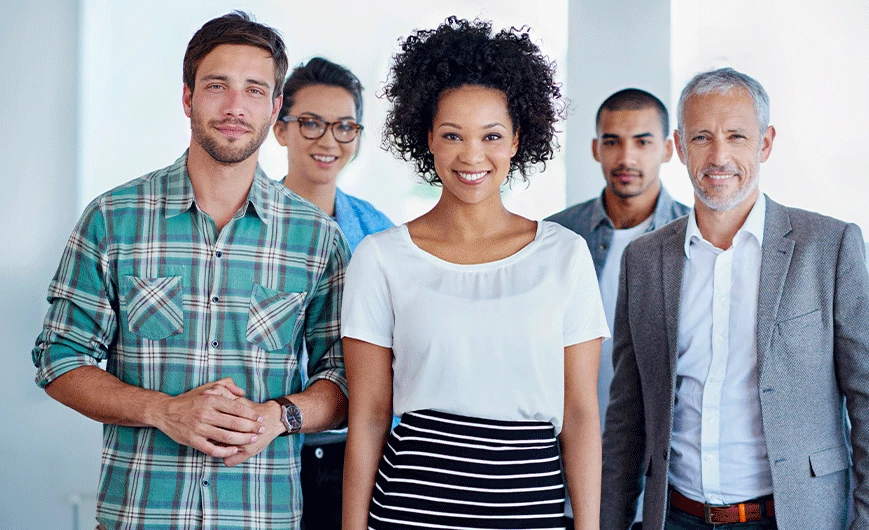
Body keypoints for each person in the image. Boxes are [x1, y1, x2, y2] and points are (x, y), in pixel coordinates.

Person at [31, 12, 349, 530]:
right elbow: (59, 359)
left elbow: (343, 380)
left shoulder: (317, 238)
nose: (233, 107)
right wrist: (163, 411)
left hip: (262, 517)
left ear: (273, 111)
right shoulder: (113, 218)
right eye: (216, 86)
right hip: (139, 516)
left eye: (253, 91)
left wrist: (278, 417)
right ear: (188, 97)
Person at [601, 67, 869, 530]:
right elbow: (626, 417)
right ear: (680, 148)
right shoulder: (643, 260)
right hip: (677, 517)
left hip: (792, 517)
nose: (718, 156)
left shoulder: (828, 245)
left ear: (764, 143)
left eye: (736, 136)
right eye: (701, 138)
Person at [341, 17, 609, 530]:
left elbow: (579, 415)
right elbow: (370, 416)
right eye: (452, 135)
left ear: (515, 141)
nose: (471, 155)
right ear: (429, 141)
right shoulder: (381, 258)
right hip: (413, 511)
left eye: (491, 135)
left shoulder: (564, 255)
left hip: (532, 511)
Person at [547, 90, 688, 528]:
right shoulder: (555, 237)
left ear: (668, 149)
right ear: (595, 148)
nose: (626, 156)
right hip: (560, 475)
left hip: (660, 483)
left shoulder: (695, 240)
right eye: (612, 141)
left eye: (643, 141)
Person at [273, 56, 393, 529]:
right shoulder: (246, 227)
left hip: (360, 454)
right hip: (273, 451)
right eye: (310, 124)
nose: (328, 141)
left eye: (344, 127)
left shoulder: (381, 235)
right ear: (280, 129)